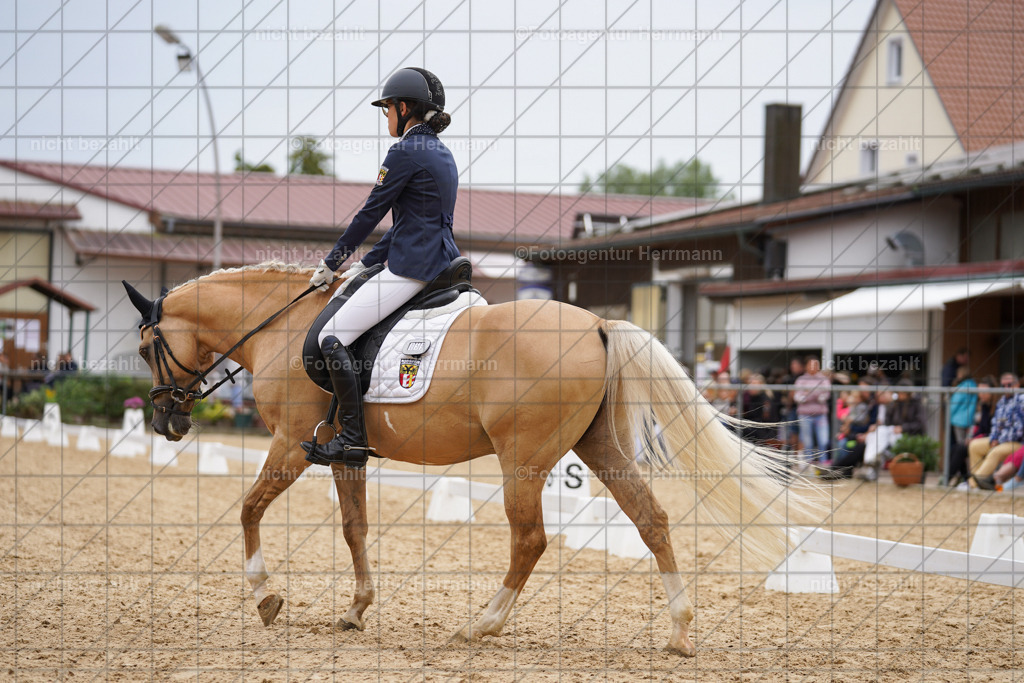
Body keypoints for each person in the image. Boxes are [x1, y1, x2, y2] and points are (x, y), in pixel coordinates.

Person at [304, 67, 456, 465]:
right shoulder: (442, 152)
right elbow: (410, 223)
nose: (386, 116)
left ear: (404, 108)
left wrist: (332, 261)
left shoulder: (404, 151)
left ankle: (352, 438)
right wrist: (367, 263)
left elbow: (372, 213)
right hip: (443, 261)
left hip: (412, 269)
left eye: (387, 108)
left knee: (331, 337)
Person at [968, 373, 1024, 486]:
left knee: (995, 452)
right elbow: (995, 424)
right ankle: (979, 483)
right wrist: (994, 437)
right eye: (1003, 385)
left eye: (1009, 385)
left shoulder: (1021, 399)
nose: (1006, 388)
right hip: (1001, 440)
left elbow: (1019, 430)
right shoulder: (1002, 401)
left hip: (1016, 443)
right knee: (974, 445)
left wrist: (999, 440)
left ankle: (972, 484)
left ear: (1017, 385)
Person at [794, 357, 831, 465]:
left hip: (820, 414)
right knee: (807, 442)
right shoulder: (801, 380)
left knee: (823, 440)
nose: (813, 367)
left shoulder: (824, 379)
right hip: (805, 415)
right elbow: (798, 398)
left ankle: (823, 465)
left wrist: (808, 393)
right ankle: (808, 466)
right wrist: (815, 393)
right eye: (811, 365)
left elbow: (824, 396)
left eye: (815, 365)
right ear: (806, 366)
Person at [740, 373, 775, 444]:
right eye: (750, 383)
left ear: (761, 385)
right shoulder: (748, 397)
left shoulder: (766, 400)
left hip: (762, 431)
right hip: (752, 427)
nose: (751, 386)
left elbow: (766, 420)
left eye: (754, 383)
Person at [949, 366, 978, 445]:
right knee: (969, 442)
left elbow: (955, 403)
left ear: (961, 375)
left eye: (958, 374)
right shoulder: (974, 385)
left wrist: (949, 414)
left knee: (961, 444)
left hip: (958, 420)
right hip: (970, 418)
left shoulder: (962, 387)